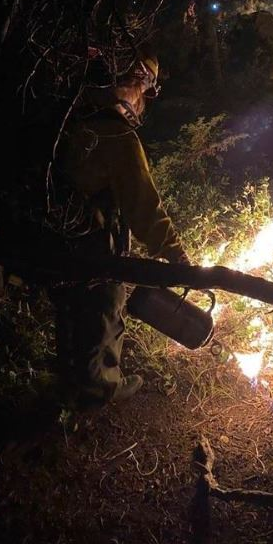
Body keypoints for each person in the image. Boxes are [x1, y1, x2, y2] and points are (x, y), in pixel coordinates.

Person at [46, 48, 190, 409]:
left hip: (53, 233)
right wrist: (177, 257)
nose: (145, 102)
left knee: (69, 304)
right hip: (88, 237)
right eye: (147, 90)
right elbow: (144, 207)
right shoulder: (117, 135)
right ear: (138, 83)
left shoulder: (73, 116)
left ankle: (69, 378)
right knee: (107, 300)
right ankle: (99, 387)